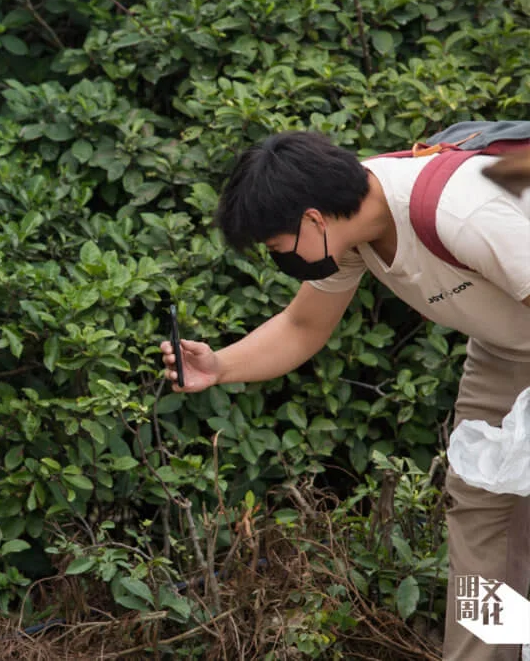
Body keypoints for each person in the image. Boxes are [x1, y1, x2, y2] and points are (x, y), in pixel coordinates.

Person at [160, 131, 530, 661]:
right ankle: (483, 655)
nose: (280, 262)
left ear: (313, 220)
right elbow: (302, 326)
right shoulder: (354, 228)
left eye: (276, 249)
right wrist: (219, 367)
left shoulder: (461, 214)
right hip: (505, 345)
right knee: (478, 509)